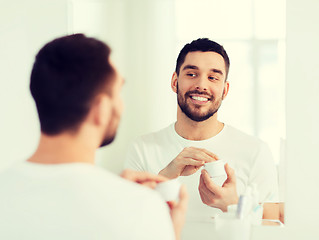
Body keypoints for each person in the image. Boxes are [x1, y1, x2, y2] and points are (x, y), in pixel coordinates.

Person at [0, 34, 187, 240]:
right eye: (118, 92)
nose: (122, 104)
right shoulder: (140, 209)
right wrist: (169, 231)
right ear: (101, 109)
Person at [124, 38, 280, 237]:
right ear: (175, 81)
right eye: (191, 74)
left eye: (213, 78)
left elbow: (273, 232)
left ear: (225, 90)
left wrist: (232, 206)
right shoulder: (142, 148)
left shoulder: (256, 151)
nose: (201, 85)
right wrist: (165, 177)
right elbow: (127, 224)